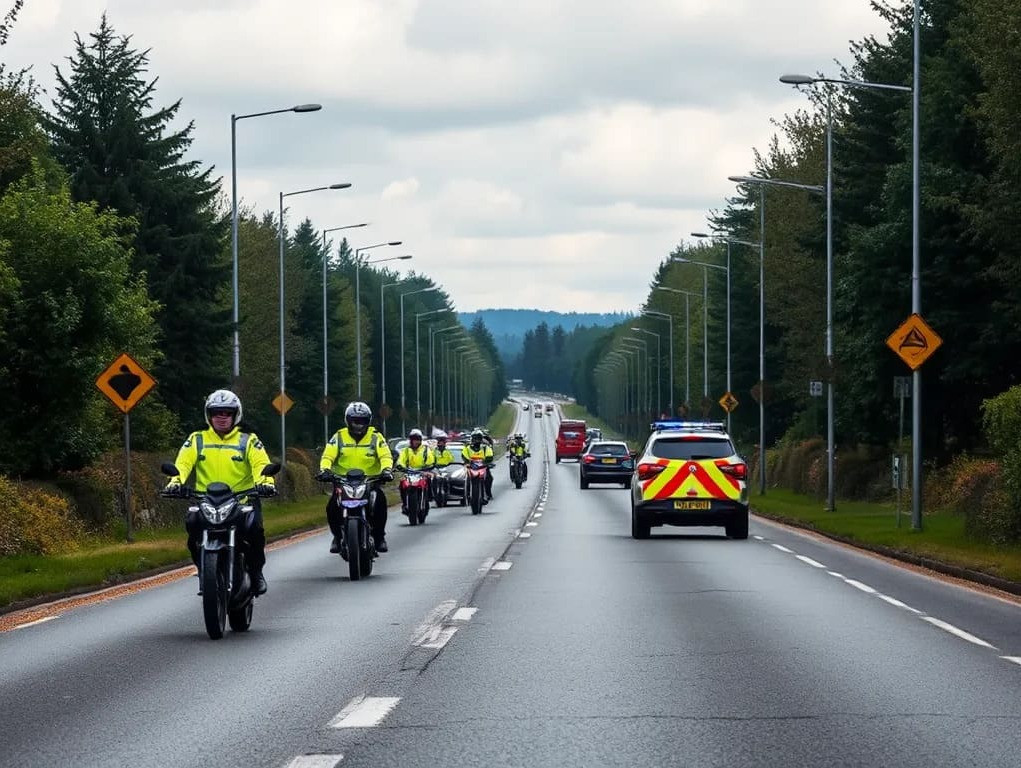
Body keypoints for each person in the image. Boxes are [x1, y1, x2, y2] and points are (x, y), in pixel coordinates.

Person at [164, 389, 275, 595]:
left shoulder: (248, 440)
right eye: (217, 413)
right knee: (192, 527)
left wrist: (266, 482)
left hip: (242, 500)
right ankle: (204, 569)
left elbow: (261, 464)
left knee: (255, 532)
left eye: (227, 413)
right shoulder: (197, 439)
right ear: (209, 415)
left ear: (236, 415)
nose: (222, 418)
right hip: (206, 501)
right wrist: (175, 482)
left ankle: (256, 572)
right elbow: (183, 463)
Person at [317, 401, 394, 553]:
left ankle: (379, 537)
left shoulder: (376, 437)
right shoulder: (338, 436)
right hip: (343, 481)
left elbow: (385, 455)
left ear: (368, 421)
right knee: (332, 506)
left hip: (370, 481)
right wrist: (325, 470)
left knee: (380, 501)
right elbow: (328, 455)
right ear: (348, 421)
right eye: (355, 421)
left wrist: (386, 470)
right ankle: (337, 537)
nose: (358, 425)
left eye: (362, 421)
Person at [396, 428, 434, 513]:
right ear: (411, 440)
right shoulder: (406, 450)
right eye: (413, 439)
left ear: (420, 440)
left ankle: (429, 497)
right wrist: (400, 466)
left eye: (417, 439)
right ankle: (405, 503)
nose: (415, 441)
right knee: (402, 483)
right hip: (410, 472)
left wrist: (429, 466)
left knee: (429, 479)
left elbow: (430, 459)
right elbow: (401, 460)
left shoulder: (425, 449)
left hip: (423, 471)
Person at [461, 428, 495, 502]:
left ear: (481, 439)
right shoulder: (467, 448)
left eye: (478, 438)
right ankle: (466, 495)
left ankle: (488, 494)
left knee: (489, 478)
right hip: (471, 467)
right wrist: (467, 462)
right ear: (472, 438)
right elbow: (464, 455)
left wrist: (487, 462)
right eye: (475, 438)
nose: (477, 440)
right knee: (465, 478)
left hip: (483, 466)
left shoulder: (486, 448)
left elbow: (490, 456)